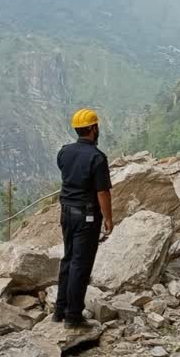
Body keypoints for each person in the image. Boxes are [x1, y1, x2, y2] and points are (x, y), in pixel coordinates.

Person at [55, 109, 114, 329]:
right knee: (81, 264)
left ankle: (59, 310)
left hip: (66, 213)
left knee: (68, 259)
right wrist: (108, 218)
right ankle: (73, 316)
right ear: (93, 128)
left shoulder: (64, 152)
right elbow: (102, 192)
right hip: (86, 216)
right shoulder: (97, 158)